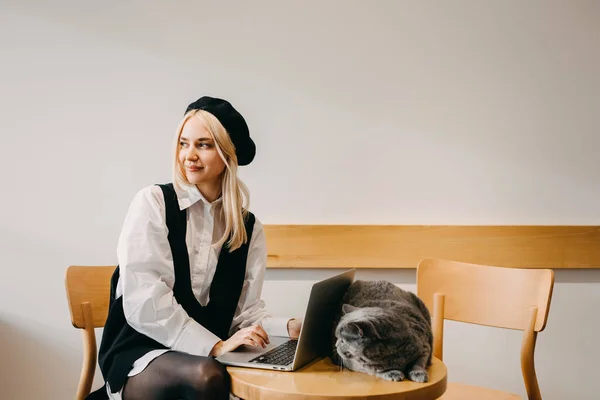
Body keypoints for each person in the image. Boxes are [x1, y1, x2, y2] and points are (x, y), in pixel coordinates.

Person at [87, 96, 302, 400]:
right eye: (183, 143)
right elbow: (145, 302)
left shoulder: (247, 228)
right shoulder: (153, 203)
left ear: (228, 154)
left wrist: (288, 327)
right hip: (140, 352)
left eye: (203, 144)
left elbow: (244, 313)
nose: (189, 155)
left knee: (224, 373)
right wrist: (214, 347)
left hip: (205, 355)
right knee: (207, 376)